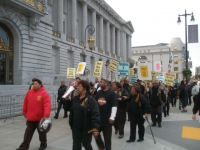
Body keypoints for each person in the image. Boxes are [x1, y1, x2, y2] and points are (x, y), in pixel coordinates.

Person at [16, 78, 52, 150]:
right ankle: (24, 147)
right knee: (27, 134)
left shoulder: (44, 93)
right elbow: (25, 103)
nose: (34, 85)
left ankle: (43, 145)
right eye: (33, 84)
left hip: (40, 118)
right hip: (31, 117)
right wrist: (24, 112)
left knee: (42, 133)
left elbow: (47, 105)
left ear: (40, 85)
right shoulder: (29, 92)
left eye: (36, 84)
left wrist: (46, 115)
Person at [69, 80, 101, 150]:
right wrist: (66, 99)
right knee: (76, 144)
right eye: (77, 86)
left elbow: (95, 115)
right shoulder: (75, 99)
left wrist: (95, 128)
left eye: (79, 86)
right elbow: (69, 109)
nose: (77, 88)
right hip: (76, 127)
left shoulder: (91, 100)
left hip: (87, 127)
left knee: (86, 144)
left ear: (85, 88)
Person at [95, 78, 118, 150]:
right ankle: (101, 146)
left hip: (107, 120)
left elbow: (114, 105)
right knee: (95, 133)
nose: (100, 83)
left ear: (106, 83)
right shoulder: (98, 92)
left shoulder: (112, 93)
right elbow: (96, 104)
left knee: (107, 139)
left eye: (101, 82)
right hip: (99, 119)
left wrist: (112, 117)